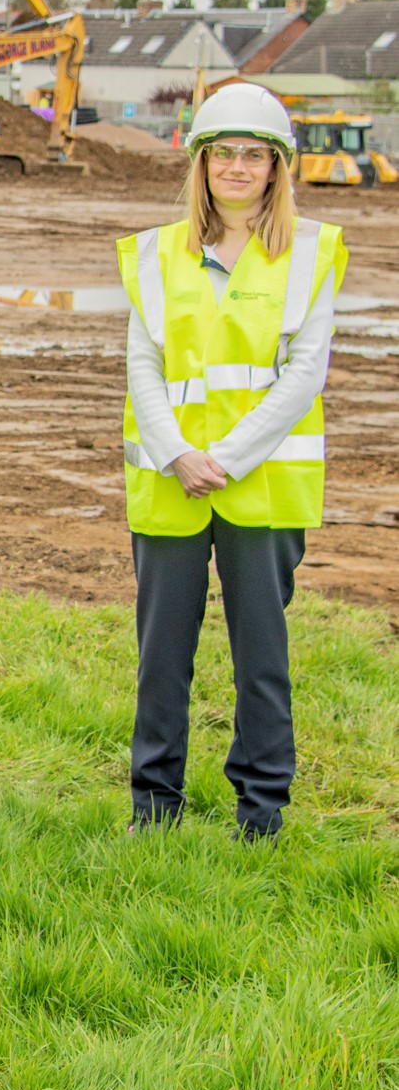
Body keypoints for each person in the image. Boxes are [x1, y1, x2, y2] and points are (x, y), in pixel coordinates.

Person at [120, 83, 345, 842]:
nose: (238, 166)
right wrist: (177, 451)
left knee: (260, 655)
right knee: (160, 654)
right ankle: (153, 805)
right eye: (224, 153)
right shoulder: (156, 252)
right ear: (201, 162)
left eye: (254, 154)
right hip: (169, 479)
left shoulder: (309, 251)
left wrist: (225, 457)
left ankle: (261, 810)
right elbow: (142, 365)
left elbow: (302, 374)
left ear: (277, 166)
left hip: (261, 484)